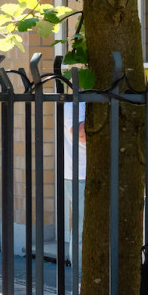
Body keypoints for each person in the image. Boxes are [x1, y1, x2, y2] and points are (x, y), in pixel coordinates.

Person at [64, 101, 86, 272]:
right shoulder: (73, 105)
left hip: (94, 172)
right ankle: (79, 279)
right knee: (81, 230)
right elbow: (81, 133)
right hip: (79, 175)